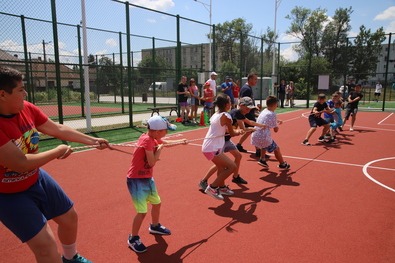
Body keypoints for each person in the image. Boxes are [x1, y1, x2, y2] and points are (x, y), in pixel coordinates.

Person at [0, 66, 109, 263]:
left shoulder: (27, 108)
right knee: (45, 247)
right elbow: (20, 163)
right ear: (2, 94)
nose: (25, 93)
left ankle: (70, 258)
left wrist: (91, 140)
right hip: (7, 194)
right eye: (20, 89)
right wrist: (58, 151)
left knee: (69, 218)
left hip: (35, 178)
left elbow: (57, 128)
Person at [126, 115, 188, 253]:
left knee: (157, 203)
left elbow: (164, 143)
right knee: (142, 212)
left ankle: (154, 226)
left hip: (147, 178)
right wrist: (159, 149)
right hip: (136, 180)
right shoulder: (147, 140)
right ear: (158, 131)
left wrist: (180, 141)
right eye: (166, 130)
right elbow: (152, 162)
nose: (167, 132)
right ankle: (133, 238)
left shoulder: (152, 137)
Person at [198, 97, 266, 189]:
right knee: (222, 165)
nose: (248, 111)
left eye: (249, 109)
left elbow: (248, 122)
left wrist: (261, 126)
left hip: (225, 140)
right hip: (221, 141)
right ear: (241, 105)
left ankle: (235, 176)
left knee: (237, 156)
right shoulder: (235, 113)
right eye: (247, 108)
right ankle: (212, 184)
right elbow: (240, 129)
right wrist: (247, 129)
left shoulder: (239, 113)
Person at [202, 94, 243, 200]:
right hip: (212, 147)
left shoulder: (216, 114)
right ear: (227, 105)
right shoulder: (227, 116)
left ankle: (222, 187)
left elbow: (223, 130)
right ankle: (213, 187)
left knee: (221, 167)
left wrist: (237, 131)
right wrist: (238, 132)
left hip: (209, 146)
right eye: (229, 101)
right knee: (232, 166)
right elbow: (232, 133)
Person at [251, 95, 290, 169]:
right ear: (275, 105)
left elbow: (267, 119)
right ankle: (282, 164)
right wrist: (277, 124)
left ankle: (262, 159)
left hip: (255, 135)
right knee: (276, 148)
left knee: (264, 145)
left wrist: (277, 121)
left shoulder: (264, 111)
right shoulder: (273, 114)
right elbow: (276, 130)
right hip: (263, 136)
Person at [237, 73, 260, 156]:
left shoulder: (248, 88)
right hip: (247, 113)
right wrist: (245, 111)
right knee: (254, 129)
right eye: (255, 79)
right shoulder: (246, 89)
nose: (256, 81)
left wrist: (254, 108)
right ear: (250, 79)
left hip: (249, 111)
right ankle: (258, 150)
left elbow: (248, 101)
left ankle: (238, 145)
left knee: (249, 130)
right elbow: (242, 100)